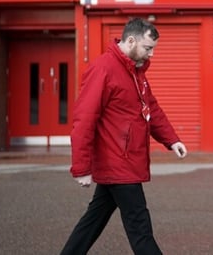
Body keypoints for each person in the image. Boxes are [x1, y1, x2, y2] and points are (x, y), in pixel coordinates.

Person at [61, 17, 187, 255]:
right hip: (120, 163)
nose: (151, 55)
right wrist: (82, 167)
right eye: (148, 48)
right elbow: (84, 119)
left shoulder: (134, 71)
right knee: (140, 229)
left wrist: (172, 140)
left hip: (123, 162)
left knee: (92, 221)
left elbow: (152, 109)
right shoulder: (104, 69)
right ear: (131, 41)